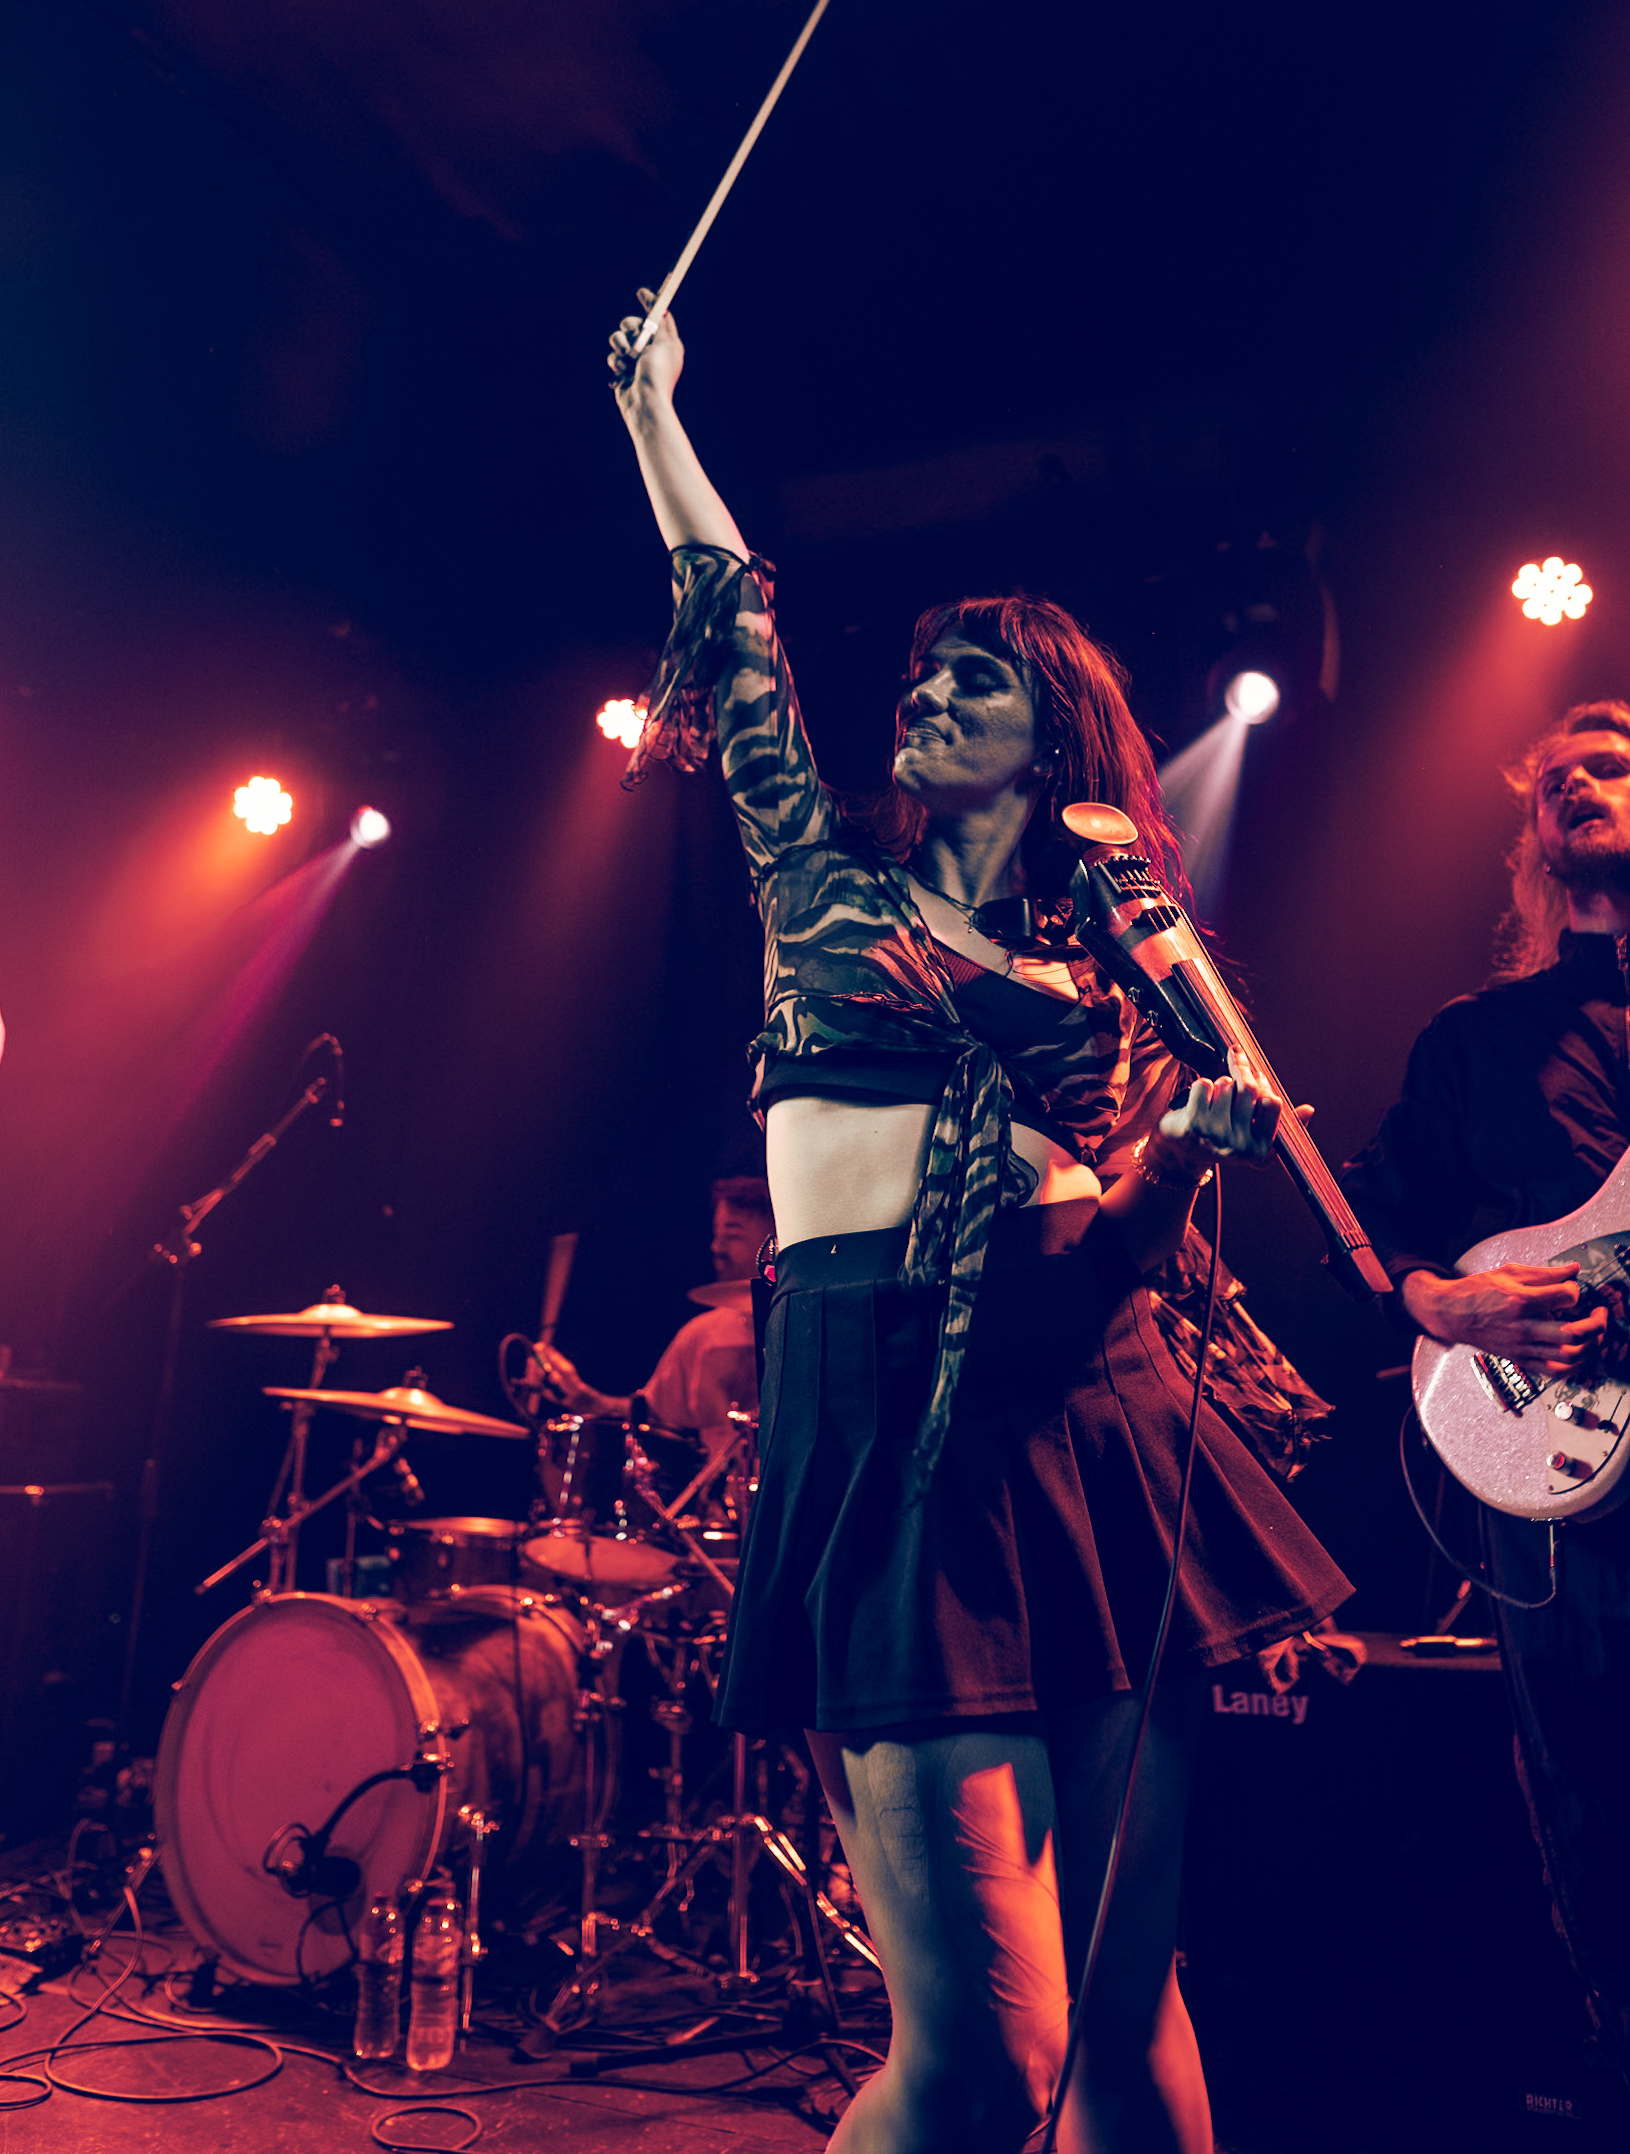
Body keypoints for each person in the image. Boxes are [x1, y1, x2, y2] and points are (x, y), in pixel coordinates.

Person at [607, 291, 1350, 2154]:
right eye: (923, 677)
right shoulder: (823, 883)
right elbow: (736, 638)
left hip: (1093, 1413)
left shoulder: (1112, 969)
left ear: (1052, 742)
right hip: (891, 1419)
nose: (925, 696)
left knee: (1128, 2014)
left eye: (972, 683)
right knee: (980, 2065)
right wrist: (656, 413)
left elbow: (1114, 1258)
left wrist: (1179, 1154)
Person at [1343, 699, 1630, 2100]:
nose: (1575, 784)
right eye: (1552, 780)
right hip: (1558, 1476)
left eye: (1611, 762)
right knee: (1588, 1794)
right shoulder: (1473, 1041)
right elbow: (1374, 1216)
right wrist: (1440, 1302)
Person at [531, 1175, 770, 1450]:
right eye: (717, 1235)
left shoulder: (805, 1330)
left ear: (775, 1240)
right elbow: (651, 1416)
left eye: (733, 1235)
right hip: (724, 1478)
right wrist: (581, 1397)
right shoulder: (702, 1336)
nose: (716, 1247)